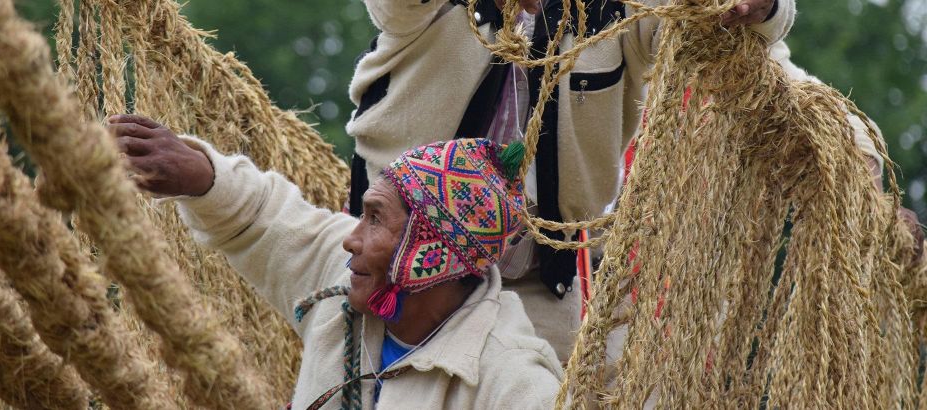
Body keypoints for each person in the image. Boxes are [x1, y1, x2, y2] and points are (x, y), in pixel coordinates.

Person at [345, 0, 796, 360]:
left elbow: (723, 31)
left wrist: (762, 6)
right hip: (390, 266)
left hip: (538, 279)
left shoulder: (620, 11)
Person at [108, 115, 562, 409]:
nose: (350, 241)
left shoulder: (512, 381)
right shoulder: (347, 285)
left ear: (430, 255)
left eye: (375, 220)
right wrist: (201, 176)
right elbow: (265, 218)